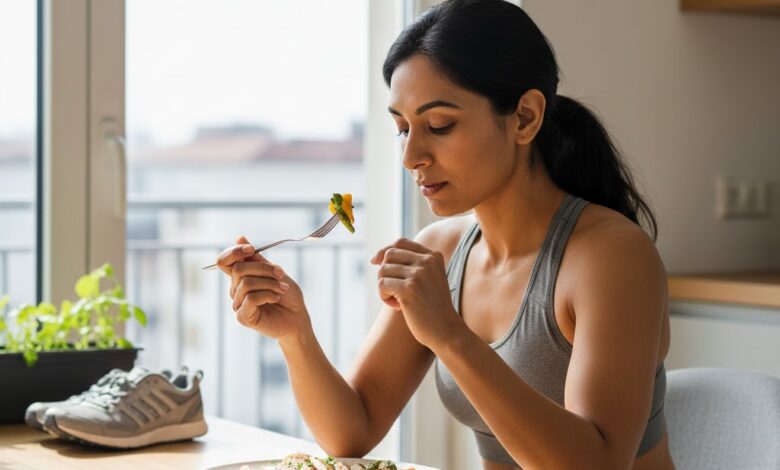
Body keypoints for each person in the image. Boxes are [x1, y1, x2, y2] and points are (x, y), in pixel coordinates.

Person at [215, 0, 674, 468]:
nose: (410, 156)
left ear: (525, 118)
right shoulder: (441, 250)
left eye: (439, 125)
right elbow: (351, 431)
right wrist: (296, 335)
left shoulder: (611, 256)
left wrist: (450, 335)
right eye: (402, 128)